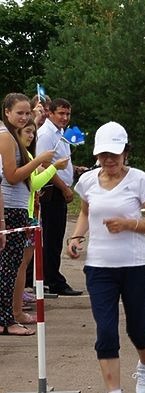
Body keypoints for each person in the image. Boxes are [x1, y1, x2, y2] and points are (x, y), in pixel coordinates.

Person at [66, 122, 145, 393]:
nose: (109, 160)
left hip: (137, 266)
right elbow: (85, 212)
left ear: (125, 152)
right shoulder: (86, 182)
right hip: (99, 267)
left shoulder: (139, 180)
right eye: (103, 155)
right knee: (106, 332)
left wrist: (129, 224)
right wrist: (76, 236)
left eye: (115, 154)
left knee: (137, 329)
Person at [0, 93, 54, 336]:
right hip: (10, 210)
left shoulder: (12, 136)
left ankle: (9, 317)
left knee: (11, 266)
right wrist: (40, 161)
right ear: (7, 112)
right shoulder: (6, 137)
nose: (24, 118)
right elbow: (12, 176)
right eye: (19, 113)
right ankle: (7, 320)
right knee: (9, 267)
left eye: (27, 113)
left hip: (16, 208)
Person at [12, 119, 68, 324]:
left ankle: (14, 306)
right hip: (26, 214)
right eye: (27, 132)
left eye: (32, 133)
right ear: (16, 134)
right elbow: (33, 183)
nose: (31, 136)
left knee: (22, 262)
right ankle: (14, 310)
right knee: (20, 264)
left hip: (30, 211)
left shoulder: (26, 154)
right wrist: (54, 168)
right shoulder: (24, 156)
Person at [36, 98, 84, 295]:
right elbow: (44, 164)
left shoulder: (60, 133)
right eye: (61, 113)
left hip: (59, 189)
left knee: (54, 236)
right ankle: (52, 280)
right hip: (51, 191)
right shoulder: (46, 134)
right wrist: (64, 188)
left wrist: (74, 170)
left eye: (67, 114)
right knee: (51, 238)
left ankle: (51, 277)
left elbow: (60, 161)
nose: (65, 117)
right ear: (50, 113)